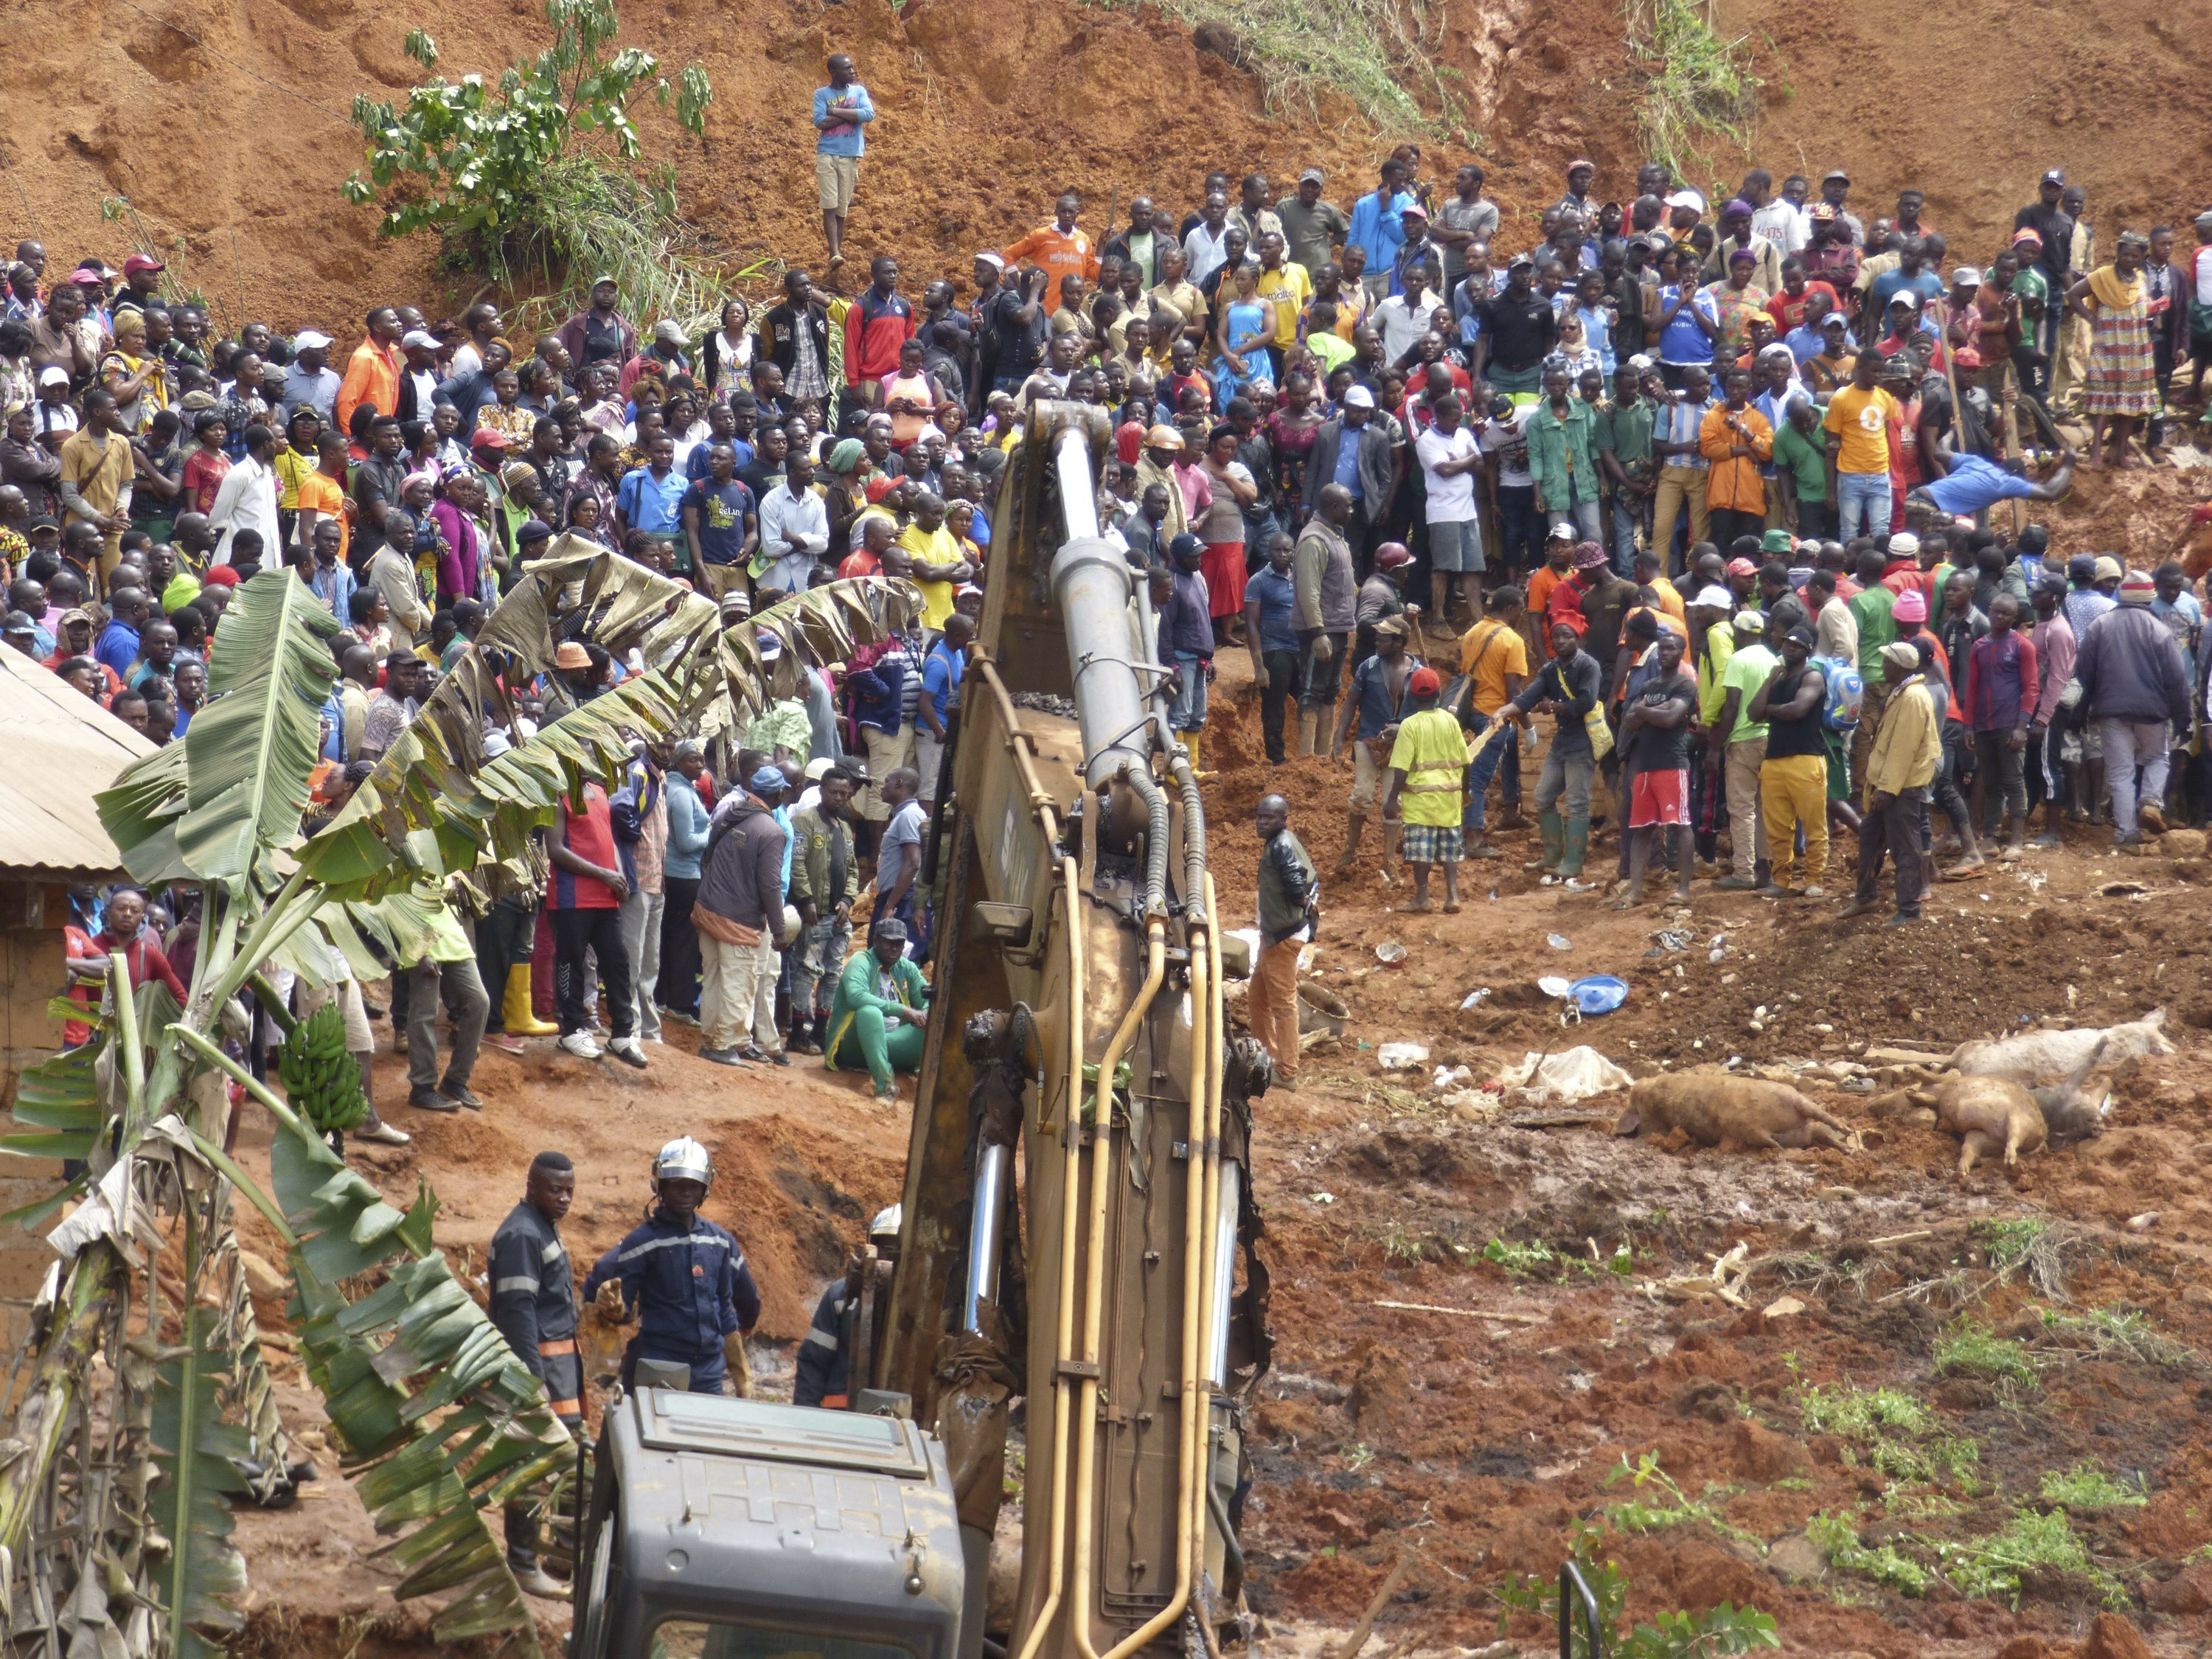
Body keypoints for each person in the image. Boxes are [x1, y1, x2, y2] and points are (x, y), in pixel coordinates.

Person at [585, 1138, 760, 1397]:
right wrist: (613, 1307)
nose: (686, 1192)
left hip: (709, 1373)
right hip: (658, 1368)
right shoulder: (642, 1242)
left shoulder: (720, 1242)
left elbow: (724, 1306)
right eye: (677, 1185)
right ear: (660, 1187)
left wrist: (740, 1373)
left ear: (705, 1189)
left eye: (694, 1185)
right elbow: (624, 1312)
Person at [489, 1150, 582, 1597]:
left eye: (569, 1190)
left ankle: (561, 1561)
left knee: (570, 1465)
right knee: (533, 1468)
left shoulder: (541, 1226)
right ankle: (524, 1565)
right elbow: (517, 1310)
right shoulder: (523, 1234)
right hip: (541, 1374)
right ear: (532, 1187)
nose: (564, 1198)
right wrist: (533, 1379)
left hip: (561, 1373)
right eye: (555, 1190)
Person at [2075, 569, 2191, 846]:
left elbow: (2084, 674)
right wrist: (2184, 719)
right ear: (2150, 598)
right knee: (2156, 758)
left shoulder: (2099, 626)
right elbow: (2177, 681)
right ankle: (2151, 800)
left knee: (2120, 773)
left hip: (2111, 712)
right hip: (2153, 712)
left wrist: (2083, 709)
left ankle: (2127, 835)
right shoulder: (2160, 631)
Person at [697, 765, 796, 1065]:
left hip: (708, 909)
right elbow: (770, 885)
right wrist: (779, 931)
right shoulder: (771, 831)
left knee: (713, 978)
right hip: (739, 920)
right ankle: (723, 1044)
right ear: (778, 794)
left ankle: (712, 1040)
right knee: (739, 984)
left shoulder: (730, 815)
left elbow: (708, 855)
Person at [1840, 640, 1941, 925]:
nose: (1882, 666)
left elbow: (1902, 749)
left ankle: (1909, 910)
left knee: (1904, 848)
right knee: (1869, 840)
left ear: (1898, 667)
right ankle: (1866, 896)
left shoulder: (1912, 698)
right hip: (1887, 784)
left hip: (1899, 788)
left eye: (1886, 662)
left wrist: (1888, 789)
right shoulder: (1903, 692)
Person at [549, 779, 648, 1067]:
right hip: (573, 895)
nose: (592, 751)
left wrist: (618, 873)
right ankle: (571, 1029)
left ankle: (622, 1033)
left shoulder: (601, 791)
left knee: (617, 961)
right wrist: (603, 874)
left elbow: (609, 839)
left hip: (606, 896)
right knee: (571, 961)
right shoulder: (558, 794)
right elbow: (555, 849)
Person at [1503, 620, 1603, 879]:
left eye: (1566, 636)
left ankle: (1573, 861)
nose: (1560, 641)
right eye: (1556, 636)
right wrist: (1504, 711)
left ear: (1577, 638)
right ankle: (1552, 854)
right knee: (1543, 797)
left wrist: (1554, 707)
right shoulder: (1551, 669)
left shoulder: (1587, 666)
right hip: (1561, 743)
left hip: (1582, 743)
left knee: (1577, 803)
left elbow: (1587, 701)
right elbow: (1528, 697)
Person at [1379, 664, 1472, 912]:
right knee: (1449, 850)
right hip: (1449, 798)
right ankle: (1452, 896)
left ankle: (1423, 898)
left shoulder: (1409, 726)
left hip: (1420, 801)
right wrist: (1465, 791)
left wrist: (1391, 800)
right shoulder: (1451, 721)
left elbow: (1400, 769)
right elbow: (1465, 761)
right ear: (1439, 693)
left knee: (1421, 852)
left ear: (1411, 695)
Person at [1748, 624, 1829, 897]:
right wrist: (1771, 680)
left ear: (1807, 650)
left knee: (1813, 824)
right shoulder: (1780, 679)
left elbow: (1797, 710)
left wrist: (1770, 710)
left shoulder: (1813, 677)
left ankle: (1814, 879)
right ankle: (1782, 881)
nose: (1789, 648)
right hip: (1774, 761)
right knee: (1778, 828)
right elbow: (1752, 713)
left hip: (1806, 759)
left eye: (1795, 645)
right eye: (1786, 644)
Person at [794, 1203, 902, 1409]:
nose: (888, 1258)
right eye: (884, 1247)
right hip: (838, 1418)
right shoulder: (841, 1296)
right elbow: (813, 1362)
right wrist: (804, 1416)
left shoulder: (919, 1312)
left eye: (896, 1249)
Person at [2067, 230, 2158, 470]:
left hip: (2137, 349)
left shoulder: (2141, 279)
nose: (2130, 259)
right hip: (2108, 348)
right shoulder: (2102, 276)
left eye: (2135, 256)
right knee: (2103, 402)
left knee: (2131, 404)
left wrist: (2154, 309)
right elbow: (2072, 294)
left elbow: (2143, 307)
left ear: (2142, 257)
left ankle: (2119, 451)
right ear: (2117, 253)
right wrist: (2090, 317)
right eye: (2125, 254)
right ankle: (2096, 450)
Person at [1332, 615, 1413, 878]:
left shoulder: (1417, 671)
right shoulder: (1368, 667)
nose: (1377, 641)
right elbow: (1351, 702)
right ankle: (1350, 850)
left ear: (1399, 642)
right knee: (1362, 796)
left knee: (1393, 802)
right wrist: (1339, 737)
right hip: (1368, 741)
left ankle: (1388, 860)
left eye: (1383, 638)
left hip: (1400, 746)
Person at [787, 765, 860, 1055]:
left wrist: (848, 899)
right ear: (822, 791)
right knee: (806, 970)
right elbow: (797, 864)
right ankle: (796, 1034)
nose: (840, 798)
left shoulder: (844, 828)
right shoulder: (805, 821)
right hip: (814, 913)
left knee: (832, 973)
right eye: (834, 792)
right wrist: (806, 900)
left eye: (845, 793)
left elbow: (853, 869)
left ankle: (820, 1032)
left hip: (839, 915)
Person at [1962, 592, 2039, 855]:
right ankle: (1990, 837)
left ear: (2014, 618)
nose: (1998, 617)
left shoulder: (2022, 646)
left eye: (2005, 614)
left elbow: (2031, 688)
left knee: (2014, 781)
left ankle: (2016, 841)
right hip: (1984, 724)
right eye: (1995, 612)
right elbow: (1972, 688)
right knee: (1991, 782)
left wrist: (2022, 726)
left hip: (2009, 723)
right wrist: (1969, 725)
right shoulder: (1980, 646)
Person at [400, 896, 492, 1114]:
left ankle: (456, 1080)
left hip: (453, 937)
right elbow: (398, 906)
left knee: (479, 1002)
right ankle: (422, 1087)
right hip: (420, 938)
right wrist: (420, 952)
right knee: (424, 1013)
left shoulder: (446, 863)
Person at [1250, 793, 1317, 1088]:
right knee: (1257, 999)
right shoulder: (1283, 840)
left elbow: (1294, 881)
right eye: (1260, 817)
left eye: (1269, 818)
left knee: (1283, 1005)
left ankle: (1288, 1072)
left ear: (1283, 819)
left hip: (1282, 939)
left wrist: (1302, 901)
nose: (1262, 823)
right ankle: (1265, 1056)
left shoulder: (1281, 847)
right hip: (1273, 935)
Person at [825, 919, 928, 1099]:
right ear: (876, 940)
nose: (894, 948)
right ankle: (885, 1086)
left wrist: (927, 1012)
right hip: (855, 1047)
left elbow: (927, 997)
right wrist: (904, 1010)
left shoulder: (907, 967)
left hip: (891, 1042)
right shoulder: (861, 961)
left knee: (933, 1020)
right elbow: (857, 997)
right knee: (869, 1012)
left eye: (899, 943)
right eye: (889, 942)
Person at [1293, 482, 1358, 756]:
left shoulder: (1335, 536)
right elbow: (1309, 591)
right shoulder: (1314, 540)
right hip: (1321, 630)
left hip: (1339, 627)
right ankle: (1307, 758)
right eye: (1348, 506)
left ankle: (1323, 757)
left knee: (1330, 691)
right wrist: (1318, 633)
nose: (1352, 511)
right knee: (1312, 692)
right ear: (1333, 507)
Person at [1823, 351, 1897, 541]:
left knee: (1881, 532)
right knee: (1849, 532)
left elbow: (1885, 434)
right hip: (1850, 476)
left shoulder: (1886, 398)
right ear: (1860, 368)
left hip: (1880, 475)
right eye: (1874, 371)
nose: (1878, 376)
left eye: (1881, 372)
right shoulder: (1841, 399)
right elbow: (1831, 446)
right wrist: (1831, 490)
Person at [1242, 532, 1301, 765]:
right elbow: (1251, 624)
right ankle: (1276, 758)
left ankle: (1311, 755)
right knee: (1274, 707)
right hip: (1275, 650)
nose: (1283, 554)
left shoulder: (1302, 576)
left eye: (1287, 550)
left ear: (1294, 551)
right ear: (1269, 551)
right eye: (1278, 550)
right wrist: (1259, 667)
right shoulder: (1258, 581)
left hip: (1302, 650)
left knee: (1308, 702)